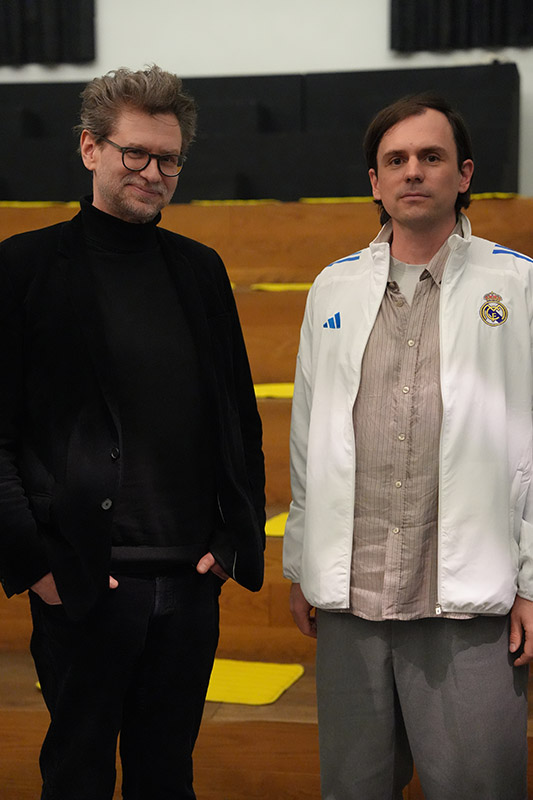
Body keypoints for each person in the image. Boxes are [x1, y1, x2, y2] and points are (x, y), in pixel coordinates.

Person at [0, 65, 265, 800]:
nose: (153, 173)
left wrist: (228, 542)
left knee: (166, 779)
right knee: (77, 779)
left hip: (189, 585)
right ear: (90, 148)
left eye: (169, 159)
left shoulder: (201, 270)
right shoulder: (22, 266)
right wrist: (37, 566)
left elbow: (238, 421)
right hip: (83, 582)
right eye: (136, 153)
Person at [283, 91, 533, 800]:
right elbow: (307, 438)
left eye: (430, 156)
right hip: (351, 598)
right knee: (353, 788)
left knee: (478, 787)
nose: (412, 171)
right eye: (394, 160)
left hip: (470, 601)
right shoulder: (332, 287)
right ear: (374, 181)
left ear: (464, 174)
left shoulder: (517, 284)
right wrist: (301, 562)